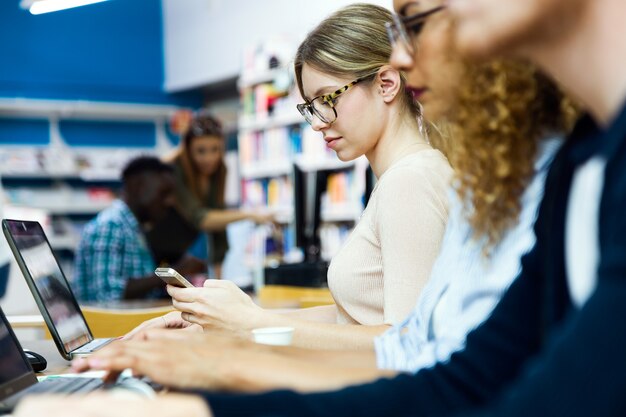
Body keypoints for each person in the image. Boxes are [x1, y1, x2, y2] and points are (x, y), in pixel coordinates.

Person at [20, 0, 625, 413]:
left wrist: (247, 340)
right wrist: (228, 353)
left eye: (415, 21)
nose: (317, 125)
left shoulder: (424, 180)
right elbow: (445, 367)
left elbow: (421, 361)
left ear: (384, 87)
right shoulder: (578, 165)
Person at [122, 3, 453, 351]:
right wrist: (220, 325)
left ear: (386, 84)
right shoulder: (399, 179)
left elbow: (409, 342)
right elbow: (351, 321)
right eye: (311, 107)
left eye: (327, 99)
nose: (319, 122)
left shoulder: (411, 180)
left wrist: (252, 322)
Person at [72, 157, 206, 302]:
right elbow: (107, 295)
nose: (170, 201)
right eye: (163, 192)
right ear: (137, 186)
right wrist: (178, 271)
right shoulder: (110, 225)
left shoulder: (133, 227)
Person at [165, 112, 275, 278]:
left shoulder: (220, 169)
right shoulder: (174, 170)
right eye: (201, 151)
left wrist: (218, 279)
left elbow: (217, 222)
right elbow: (202, 219)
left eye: (215, 149)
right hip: (162, 252)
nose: (209, 158)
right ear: (188, 149)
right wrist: (248, 215)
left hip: (188, 255)